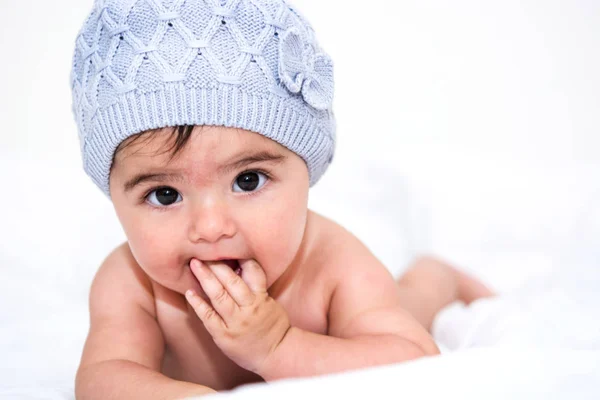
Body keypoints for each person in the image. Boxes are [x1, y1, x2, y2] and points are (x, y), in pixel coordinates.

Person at [70, 1, 494, 398]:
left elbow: (414, 360)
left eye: (248, 180)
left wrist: (277, 347)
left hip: (363, 319)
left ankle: (438, 274)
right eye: (165, 194)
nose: (211, 227)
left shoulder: (331, 262)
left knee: (412, 300)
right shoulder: (131, 283)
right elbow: (103, 378)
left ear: (306, 171)